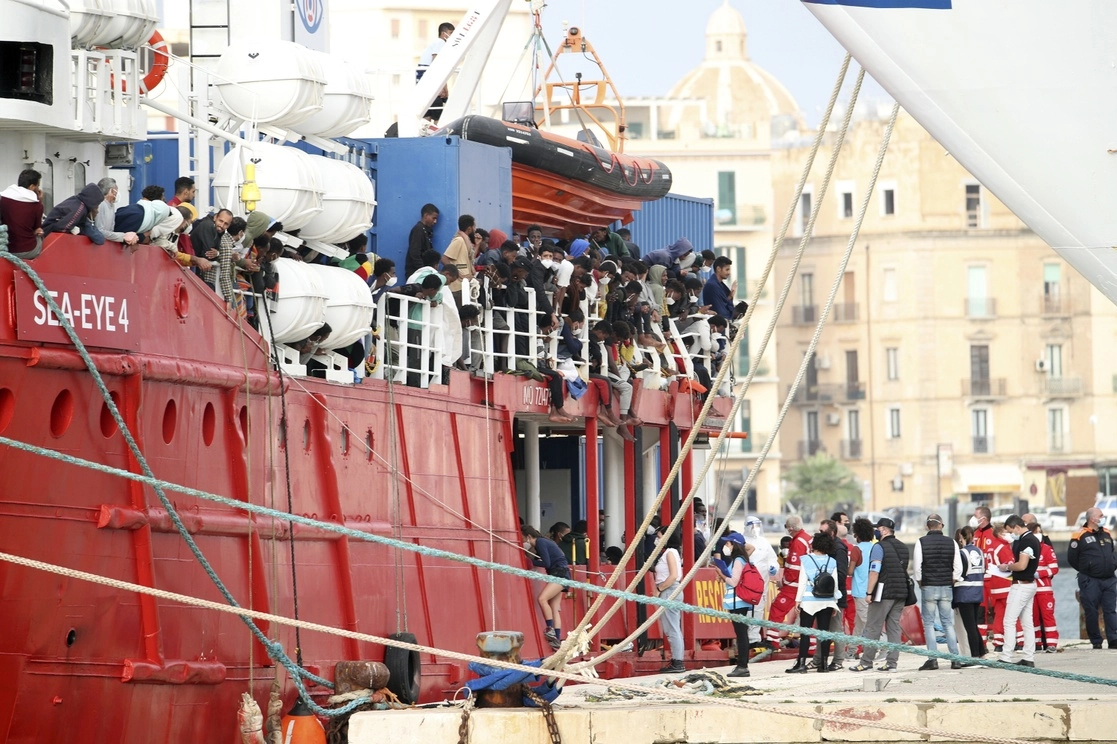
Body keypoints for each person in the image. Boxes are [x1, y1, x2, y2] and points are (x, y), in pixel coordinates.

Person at [849, 517, 908, 672]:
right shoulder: (903, 547)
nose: (875, 531)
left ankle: (866, 662)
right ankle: (892, 663)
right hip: (901, 592)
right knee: (894, 628)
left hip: (883, 593)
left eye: (878, 528)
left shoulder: (879, 547)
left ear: (884, 530)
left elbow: (874, 572)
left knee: (872, 627)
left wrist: (869, 593)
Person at [912, 514, 964, 670]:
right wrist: (952, 580)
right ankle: (955, 659)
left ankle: (932, 659)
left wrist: (921, 582)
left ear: (927, 526)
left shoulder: (921, 542)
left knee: (928, 624)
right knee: (947, 622)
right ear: (941, 525)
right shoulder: (952, 542)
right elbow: (958, 567)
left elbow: (917, 567)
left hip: (928, 585)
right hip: (946, 586)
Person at [787, 532, 839, 674]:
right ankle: (824, 664)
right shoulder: (832, 561)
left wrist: (798, 600)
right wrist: (834, 602)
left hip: (809, 600)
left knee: (805, 632)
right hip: (827, 601)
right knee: (824, 633)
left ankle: (801, 664)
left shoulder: (806, 559)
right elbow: (835, 584)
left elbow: (802, 582)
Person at [1067, 506, 1117, 649]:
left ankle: (1113, 639)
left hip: (1109, 579)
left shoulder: (1106, 533)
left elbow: (1111, 552)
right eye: (1100, 516)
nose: (1103, 518)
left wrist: (1112, 565)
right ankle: (1096, 641)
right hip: (1090, 580)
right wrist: (1087, 569)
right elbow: (1072, 558)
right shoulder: (1079, 535)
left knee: (1110, 610)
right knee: (1091, 611)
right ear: (1092, 518)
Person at [995, 515, 1039, 667]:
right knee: (1027, 623)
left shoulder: (1026, 541)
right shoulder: (1033, 539)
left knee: (1009, 621)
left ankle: (1006, 656)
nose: (1010, 534)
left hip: (1021, 585)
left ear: (1017, 527)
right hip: (1029, 584)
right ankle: (1028, 656)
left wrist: (1006, 567)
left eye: (1010, 531)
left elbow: (1021, 565)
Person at [522, 524, 570, 651]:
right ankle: (557, 640)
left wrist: (530, 561)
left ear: (528, 536)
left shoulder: (540, 543)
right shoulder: (544, 542)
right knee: (554, 608)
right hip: (562, 573)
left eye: (522, 538)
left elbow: (547, 563)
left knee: (542, 599)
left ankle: (550, 629)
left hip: (558, 574)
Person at [767, 515, 812, 647]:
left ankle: (772, 641)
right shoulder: (808, 538)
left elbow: (794, 568)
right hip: (806, 583)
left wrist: (784, 582)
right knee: (808, 616)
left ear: (790, 528)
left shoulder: (798, 542)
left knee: (777, 608)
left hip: (794, 585)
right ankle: (812, 645)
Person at [713, 532, 754, 678]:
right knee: (741, 633)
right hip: (738, 602)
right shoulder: (741, 559)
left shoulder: (738, 560)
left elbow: (733, 582)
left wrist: (722, 574)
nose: (726, 546)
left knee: (741, 634)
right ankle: (742, 665)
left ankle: (742, 666)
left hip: (738, 602)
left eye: (728, 543)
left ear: (734, 544)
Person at [741, 515, 778, 649]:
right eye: (753, 525)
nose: (755, 528)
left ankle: (754, 638)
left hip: (762, 582)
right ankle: (745, 639)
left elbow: (772, 559)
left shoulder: (764, 542)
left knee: (758, 609)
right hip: (746, 582)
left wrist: (773, 567)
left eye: (757, 525)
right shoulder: (741, 540)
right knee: (746, 610)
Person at [653, 524, 685, 673]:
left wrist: (659, 589)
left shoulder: (670, 552)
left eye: (659, 537)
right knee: (670, 628)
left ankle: (678, 662)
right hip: (669, 590)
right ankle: (676, 660)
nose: (657, 540)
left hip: (669, 591)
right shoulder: (671, 552)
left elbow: (673, 576)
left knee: (672, 628)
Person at [954, 525, 987, 660]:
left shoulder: (962, 553)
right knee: (974, 625)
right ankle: (981, 651)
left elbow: (959, 573)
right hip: (977, 591)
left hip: (964, 593)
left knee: (970, 627)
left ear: (961, 537)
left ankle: (974, 656)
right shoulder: (980, 552)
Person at [41, 183, 105, 244]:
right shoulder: (80, 209)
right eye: (97, 204)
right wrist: (75, 231)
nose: (96, 209)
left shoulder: (76, 200)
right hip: (48, 235)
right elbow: (62, 228)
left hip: (47, 231)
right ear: (93, 201)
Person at [1030, 521, 1059, 652]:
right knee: (1033, 617)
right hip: (1030, 589)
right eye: (1036, 532)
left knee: (1048, 616)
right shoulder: (1026, 550)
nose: (1039, 534)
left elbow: (1054, 568)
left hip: (1044, 590)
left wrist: (1040, 574)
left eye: (1039, 532)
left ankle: (1051, 643)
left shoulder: (1047, 549)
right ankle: (1036, 643)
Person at [848, 517, 875, 658]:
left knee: (867, 622)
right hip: (873, 590)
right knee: (859, 623)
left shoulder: (856, 549)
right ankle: (852, 650)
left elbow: (850, 571)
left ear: (857, 534)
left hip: (860, 591)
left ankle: (884, 647)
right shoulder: (876, 547)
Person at [986, 522, 1014, 651]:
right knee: (1013, 613)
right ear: (999, 534)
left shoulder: (991, 547)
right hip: (1006, 584)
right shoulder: (1003, 547)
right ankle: (1020, 640)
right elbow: (1011, 564)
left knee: (999, 615)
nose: (1009, 535)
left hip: (995, 586)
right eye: (1006, 532)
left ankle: (998, 642)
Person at [0, 169, 44, 253]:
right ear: (32, 187)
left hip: (5, 247)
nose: (38, 189)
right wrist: (40, 201)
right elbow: (37, 228)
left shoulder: (3, 198)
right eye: (37, 186)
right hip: (27, 250)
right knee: (40, 235)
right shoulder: (36, 204)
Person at [92, 178, 139, 248]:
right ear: (111, 190)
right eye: (116, 190)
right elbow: (99, 231)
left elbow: (110, 230)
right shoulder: (101, 204)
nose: (117, 193)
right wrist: (123, 236)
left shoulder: (111, 205)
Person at [441, 214, 476, 295]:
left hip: (463, 286)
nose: (475, 229)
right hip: (456, 287)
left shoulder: (466, 242)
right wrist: (458, 274)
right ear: (469, 229)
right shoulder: (459, 240)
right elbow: (444, 259)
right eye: (474, 227)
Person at [404, 204, 439, 278]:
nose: (435, 221)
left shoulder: (426, 231)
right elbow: (414, 253)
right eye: (433, 218)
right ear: (426, 215)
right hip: (416, 274)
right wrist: (423, 271)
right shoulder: (419, 229)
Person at [701, 256, 736, 320]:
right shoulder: (712, 286)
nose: (729, 273)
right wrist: (730, 298)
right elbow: (723, 313)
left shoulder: (719, 285)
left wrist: (730, 296)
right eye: (727, 270)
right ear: (718, 269)